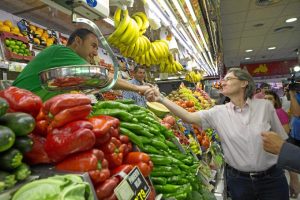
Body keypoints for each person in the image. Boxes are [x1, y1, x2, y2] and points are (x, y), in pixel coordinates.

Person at [145, 68, 289, 200]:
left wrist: (293, 176)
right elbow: (188, 117)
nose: (223, 82)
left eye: (228, 79)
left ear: (244, 83)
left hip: (272, 178)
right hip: (239, 181)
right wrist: (161, 99)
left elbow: (281, 142)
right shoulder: (218, 112)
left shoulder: (265, 107)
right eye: (223, 79)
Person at [12, 28, 150, 100]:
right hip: (16, 109)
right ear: (77, 41)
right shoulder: (60, 51)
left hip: (29, 111)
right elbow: (103, 77)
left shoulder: (69, 64)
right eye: (93, 46)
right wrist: (138, 88)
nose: (96, 53)